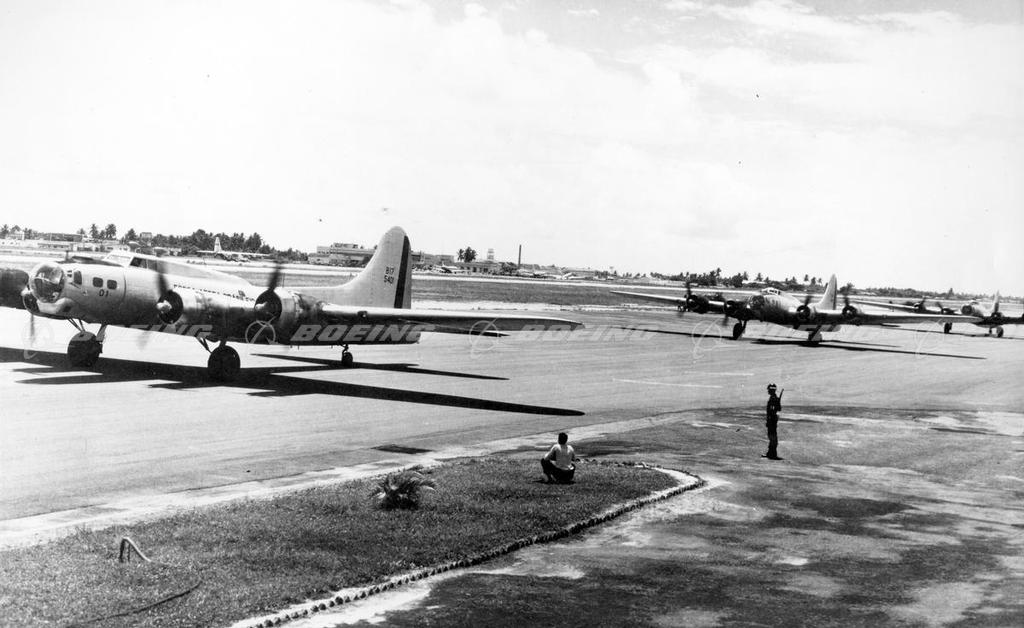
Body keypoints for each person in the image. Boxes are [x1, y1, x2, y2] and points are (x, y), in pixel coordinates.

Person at [764, 383, 783, 459]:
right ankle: (771, 453)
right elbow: (778, 409)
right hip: (772, 419)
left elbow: (777, 409)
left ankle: (772, 454)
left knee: (772, 437)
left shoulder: (773, 398)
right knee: (772, 436)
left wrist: (778, 403)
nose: (768, 391)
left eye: (769, 390)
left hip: (772, 419)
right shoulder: (773, 398)